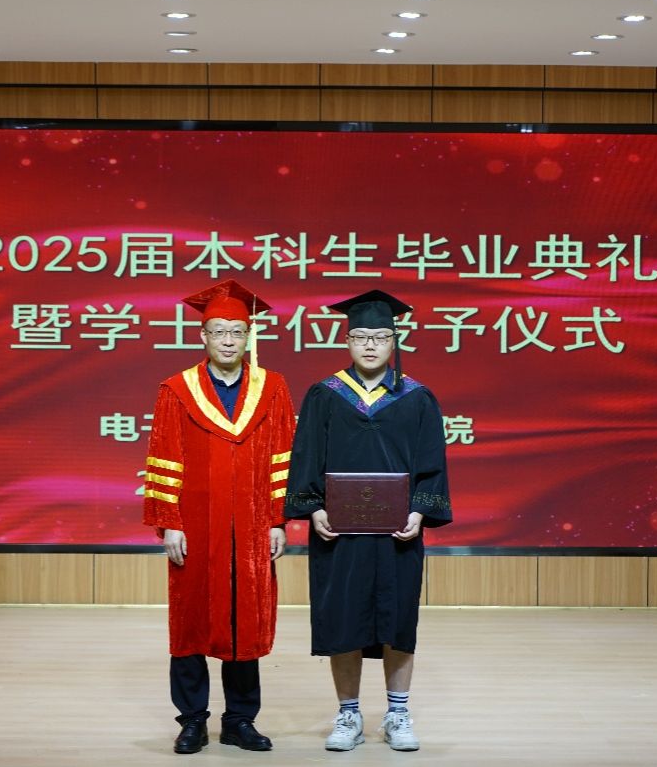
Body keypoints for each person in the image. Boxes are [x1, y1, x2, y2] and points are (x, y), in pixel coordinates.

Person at [284, 289, 452, 753]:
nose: (370, 345)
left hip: (399, 533)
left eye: (380, 337)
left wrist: (419, 510)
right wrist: (314, 508)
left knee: (398, 620)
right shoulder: (325, 395)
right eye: (360, 336)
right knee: (344, 620)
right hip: (338, 534)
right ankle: (349, 715)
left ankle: (397, 713)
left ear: (394, 341)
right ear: (347, 341)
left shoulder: (417, 398)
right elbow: (305, 459)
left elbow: (432, 464)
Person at [142, 279, 296, 755]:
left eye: (237, 331)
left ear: (249, 335)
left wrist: (277, 521)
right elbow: (163, 457)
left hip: (251, 526)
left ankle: (239, 721)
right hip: (195, 526)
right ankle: (192, 721)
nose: (228, 340)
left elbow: (283, 458)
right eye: (219, 332)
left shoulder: (272, 388)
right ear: (203, 336)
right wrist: (169, 522)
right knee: (190, 622)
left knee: (244, 623)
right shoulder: (176, 390)